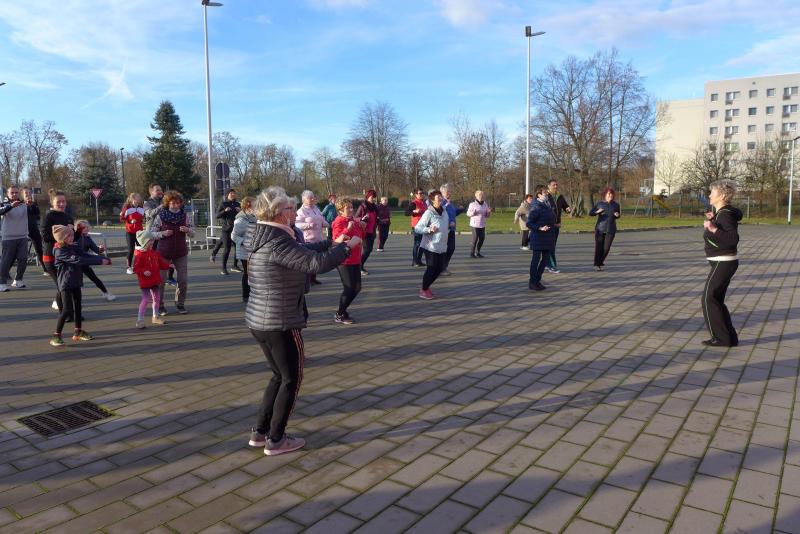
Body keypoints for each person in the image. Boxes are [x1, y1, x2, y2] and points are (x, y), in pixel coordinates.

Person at [245, 186, 358, 456]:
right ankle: (276, 439)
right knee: (291, 379)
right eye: (289, 208)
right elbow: (316, 264)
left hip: (260, 319)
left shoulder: (265, 235)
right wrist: (346, 247)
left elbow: (303, 250)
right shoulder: (278, 241)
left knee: (278, 376)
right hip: (280, 321)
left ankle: (260, 432)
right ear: (277, 213)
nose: (294, 212)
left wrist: (330, 243)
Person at [49, 224, 111, 347]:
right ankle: (56, 336)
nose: (72, 238)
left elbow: (85, 255)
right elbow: (79, 260)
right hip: (66, 283)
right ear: (61, 238)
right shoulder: (59, 250)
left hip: (76, 281)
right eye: (68, 236)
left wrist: (101, 257)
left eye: (72, 235)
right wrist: (100, 261)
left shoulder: (72, 246)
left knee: (78, 307)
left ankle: (78, 331)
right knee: (67, 310)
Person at [701, 180, 743, 347]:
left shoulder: (725, 214)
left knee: (708, 299)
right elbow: (725, 233)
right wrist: (714, 221)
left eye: (712, 192)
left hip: (723, 262)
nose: (709, 195)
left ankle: (720, 338)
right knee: (716, 300)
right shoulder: (721, 214)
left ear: (722, 195)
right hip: (722, 262)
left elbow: (732, 239)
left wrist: (713, 229)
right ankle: (729, 338)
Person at [151, 191, 195, 315]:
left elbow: (193, 233)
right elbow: (152, 233)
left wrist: (188, 230)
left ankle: (180, 303)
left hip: (180, 252)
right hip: (163, 252)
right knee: (161, 281)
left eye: (177, 203)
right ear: (167, 203)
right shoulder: (161, 216)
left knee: (183, 280)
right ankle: (160, 305)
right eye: (172, 203)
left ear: (181, 203)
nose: (175, 205)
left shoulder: (186, 216)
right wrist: (162, 233)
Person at [331, 197, 364, 324]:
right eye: (347, 208)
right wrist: (348, 229)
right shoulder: (338, 221)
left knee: (357, 288)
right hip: (344, 260)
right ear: (340, 210)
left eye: (351, 207)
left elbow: (359, 237)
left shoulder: (352, 220)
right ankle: (339, 314)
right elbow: (336, 240)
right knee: (349, 288)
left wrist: (362, 227)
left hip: (355, 259)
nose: (351, 210)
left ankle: (343, 310)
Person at [41, 189, 74, 315]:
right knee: (63, 286)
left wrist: (79, 231)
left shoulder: (68, 216)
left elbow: (72, 237)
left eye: (63, 201)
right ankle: (66, 314)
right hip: (51, 257)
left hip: (65, 256)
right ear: (52, 203)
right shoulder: (49, 217)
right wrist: (62, 234)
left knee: (65, 286)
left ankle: (67, 312)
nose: (61, 204)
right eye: (58, 202)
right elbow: (45, 237)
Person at [132, 230, 169, 329]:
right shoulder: (139, 255)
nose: (152, 242)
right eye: (150, 241)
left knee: (157, 298)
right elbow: (136, 268)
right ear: (144, 242)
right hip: (145, 282)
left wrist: (169, 265)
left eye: (152, 240)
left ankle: (155, 317)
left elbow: (161, 263)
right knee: (145, 299)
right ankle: (140, 320)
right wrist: (143, 271)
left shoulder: (154, 253)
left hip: (155, 280)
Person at [415, 190, 449, 299]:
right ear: (432, 200)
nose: (440, 198)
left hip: (441, 246)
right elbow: (417, 228)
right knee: (431, 268)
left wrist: (450, 225)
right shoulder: (429, 212)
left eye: (440, 196)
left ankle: (427, 287)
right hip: (430, 246)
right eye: (438, 197)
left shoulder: (444, 211)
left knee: (439, 269)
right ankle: (423, 290)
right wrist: (429, 229)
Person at [75, 220, 116, 301]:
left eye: (87, 227)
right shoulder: (73, 237)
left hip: (84, 262)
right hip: (74, 263)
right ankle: (59, 300)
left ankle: (105, 293)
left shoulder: (88, 238)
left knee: (94, 278)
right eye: (83, 227)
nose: (86, 229)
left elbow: (97, 250)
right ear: (78, 228)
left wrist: (101, 249)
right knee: (71, 284)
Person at [295, 190, 328, 285]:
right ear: (304, 200)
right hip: (308, 239)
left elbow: (322, 219)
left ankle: (313, 278)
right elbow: (297, 224)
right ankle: (307, 279)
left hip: (318, 238)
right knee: (310, 260)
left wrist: (325, 223)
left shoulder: (316, 209)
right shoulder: (301, 211)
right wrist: (308, 225)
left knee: (317, 260)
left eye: (313, 197)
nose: (313, 199)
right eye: (310, 198)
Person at [526, 185, 556, 291]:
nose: (547, 194)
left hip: (547, 237)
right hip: (538, 237)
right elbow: (529, 223)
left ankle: (537, 281)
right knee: (536, 260)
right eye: (544, 193)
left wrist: (554, 224)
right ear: (539, 195)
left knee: (546, 259)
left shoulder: (546, 204)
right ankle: (532, 282)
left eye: (547, 193)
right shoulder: (535, 206)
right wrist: (540, 228)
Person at [0, 185, 29, 292]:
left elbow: (35, 213)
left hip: (23, 236)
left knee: (23, 259)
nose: (14, 194)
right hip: (8, 238)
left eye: (16, 192)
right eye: (12, 192)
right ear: (7, 194)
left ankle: (18, 280)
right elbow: (1, 211)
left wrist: (31, 206)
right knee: (6, 261)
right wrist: (11, 206)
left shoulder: (24, 204)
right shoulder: (3, 204)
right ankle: (2, 282)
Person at [590, 187, 621, 271]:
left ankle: (600, 262)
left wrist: (617, 215)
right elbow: (591, 213)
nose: (610, 195)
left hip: (611, 229)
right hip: (600, 229)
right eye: (609, 194)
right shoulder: (600, 204)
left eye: (611, 194)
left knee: (606, 248)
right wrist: (597, 212)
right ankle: (597, 264)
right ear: (605, 195)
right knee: (599, 248)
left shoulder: (616, 205)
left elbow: (618, 215)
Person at [210, 189, 241, 275]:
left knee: (238, 248)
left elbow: (243, 215)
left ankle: (234, 266)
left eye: (234, 193)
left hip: (236, 229)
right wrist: (225, 211)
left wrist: (241, 211)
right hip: (226, 230)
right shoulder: (224, 204)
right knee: (227, 248)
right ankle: (223, 268)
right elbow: (217, 215)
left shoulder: (238, 204)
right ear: (228, 195)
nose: (233, 194)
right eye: (231, 193)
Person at [232, 196, 256, 302]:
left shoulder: (254, 216)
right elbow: (233, 236)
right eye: (255, 203)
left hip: (253, 250)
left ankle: (251, 294)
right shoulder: (241, 219)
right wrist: (244, 242)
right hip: (244, 251)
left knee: (253, 273)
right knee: (248, 273)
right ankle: (245, 295)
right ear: (248, 205)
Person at [545, 179, 572, 273]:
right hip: (547, 225)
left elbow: (565, 206)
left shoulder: (560, 196)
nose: (556, 186)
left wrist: (567, 209)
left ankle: (547, 263)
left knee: (552, 245)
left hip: (556, 225)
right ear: (548, 186)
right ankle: (551, 265)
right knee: (550, 246)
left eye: (556, 185)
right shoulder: (545, 196)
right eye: (554, 185)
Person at [439, 183, 463, 276]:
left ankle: (444, 267)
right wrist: (448, 223)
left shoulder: (450, 203)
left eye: (450, 191)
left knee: (451, 248)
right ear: (442, 193)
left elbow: (453, 213)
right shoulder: (441, 203)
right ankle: (441, 268)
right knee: (445, 249)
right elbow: (439, 215)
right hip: (445, 230)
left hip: (451, 229)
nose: (449, 193)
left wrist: (460, 210)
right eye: (447, 191)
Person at [120, 193, 145, 275]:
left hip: (139, 232)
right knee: (131, 249)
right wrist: (130, 221)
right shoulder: (127, 207)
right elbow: (121, 218)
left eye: (139, 197)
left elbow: (143, 217)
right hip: (130, 232)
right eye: (138, 197)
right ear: (133, 199)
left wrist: (142, 220)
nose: (139, 198)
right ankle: (128, 267)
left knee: (140, 249)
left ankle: (137, 266)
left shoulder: (141, 208)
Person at [354, 190, 378, 275]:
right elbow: (355, 218)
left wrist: (378, 220)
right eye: (372, 197)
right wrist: (363, 219)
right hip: (364, 232)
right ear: (367, 197)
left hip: (372, 231)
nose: (373, 199)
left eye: (374, 197)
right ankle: (359, 267)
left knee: (369, 250)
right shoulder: (363, 206)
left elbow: (376, 218)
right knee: (367, 250)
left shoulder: (374, 207)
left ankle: (359, 266)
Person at [23, 187, 46, 275]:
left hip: (33, 228)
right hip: (22, 229)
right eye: (26, 193)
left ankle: (45, 269)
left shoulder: (34, 203)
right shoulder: (19, 203)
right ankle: (6, 272)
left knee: (39, 249)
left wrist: (31, 205)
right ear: (23, 194)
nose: (28, 194)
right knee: (16, 251)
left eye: (29, 193)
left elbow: (37, 214)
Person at [406, 188, 427, 267]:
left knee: (423, 244)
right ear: (416, 195)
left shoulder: (424, 203)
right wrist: (414, 211)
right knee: (417, 243)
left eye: (422, 193)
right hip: (417, 226)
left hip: (424, 226)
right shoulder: (413, 203)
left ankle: (419, 260)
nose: (421, 194)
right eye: (420, 193)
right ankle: (414, 261)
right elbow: (406, 212)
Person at [467, 190, 492, 258]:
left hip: (482, 224)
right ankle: (472, 253)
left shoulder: (485, 204)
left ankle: (478, 252)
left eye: (482, 195)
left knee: (482, 239)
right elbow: (468, 214)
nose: (481, 196)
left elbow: (487, 216)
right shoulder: (472, 204)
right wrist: (473, 213)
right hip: (474, 225)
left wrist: (489, 212)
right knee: (475, 239)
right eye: (479, 195)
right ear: (476, 196)